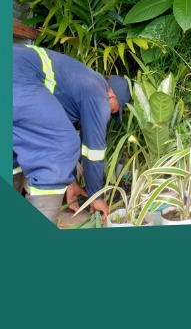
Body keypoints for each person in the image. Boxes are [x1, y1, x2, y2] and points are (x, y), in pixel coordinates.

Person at [13, 44, 131, 222]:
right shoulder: (98, 94)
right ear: (112, 97)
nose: (112, 113)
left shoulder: (81, 85)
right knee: (59, 145)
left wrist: (72, 182)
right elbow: (93, 152)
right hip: (18, 74)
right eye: (116, 110)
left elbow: (53, 128)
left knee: (16, 154)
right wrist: (96, 197)